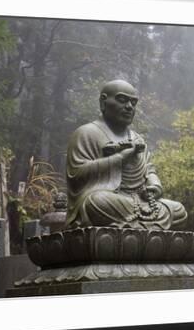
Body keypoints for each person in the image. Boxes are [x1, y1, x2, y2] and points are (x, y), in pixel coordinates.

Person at [66, 80, 187, 230]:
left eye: (133, 102)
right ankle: (146, 231)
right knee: (95, 202)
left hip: (140, 201)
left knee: (178, 210)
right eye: (122, 100)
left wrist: (154, 186)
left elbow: (149, 170)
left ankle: (136, 230)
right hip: (110, 200)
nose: (129, 107)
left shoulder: (137, 138)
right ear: (103, 101)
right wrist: (120, 158)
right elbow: (76, 175)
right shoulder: (87, 133)